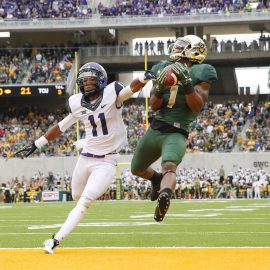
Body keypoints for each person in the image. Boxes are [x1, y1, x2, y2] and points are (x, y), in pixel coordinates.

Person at [15, 62, 155, 254]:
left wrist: (144, 78)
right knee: (77, 196)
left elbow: (130, 89)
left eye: (91, 80)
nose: (87, 84)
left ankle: (55, 240)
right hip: (86, 157)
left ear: (101, 80)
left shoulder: (112, 92)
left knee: (85, 201)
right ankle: (83, 142)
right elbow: (61, 126)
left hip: (106, 161)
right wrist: (36, 143)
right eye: (84, 80)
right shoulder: (76, 102)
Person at [131, 35, 218, 222]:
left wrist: (187, 84)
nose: (177, 50)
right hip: (156, 128)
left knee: (169, 167)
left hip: (177, 131)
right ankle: (155, 179)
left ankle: (165, 196)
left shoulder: (203, 71)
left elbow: (197, 106)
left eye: (181, 47)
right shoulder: (162, 67)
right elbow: (154, 105)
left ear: (194, 50)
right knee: (136, 169)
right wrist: (160, 86)